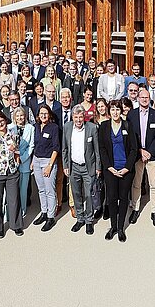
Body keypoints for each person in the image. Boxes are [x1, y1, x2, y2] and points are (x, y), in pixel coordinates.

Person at [98, 100, 138, 242]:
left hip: (126, 169)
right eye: (113, 109)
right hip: (111, 169)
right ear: (109, 111)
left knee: (123, 198)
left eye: (117, 110)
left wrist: (127, 167)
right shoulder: (104, 126)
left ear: (122, 111)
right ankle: (113, 226)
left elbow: (134, 149)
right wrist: (109, 167)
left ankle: (121, 228)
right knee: (112, 198)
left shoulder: (128, 125)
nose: (115, 112)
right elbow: (101, 148)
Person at [127, 89, 155, 227]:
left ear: (150, 99)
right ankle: (135, 209)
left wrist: (149, 151)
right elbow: (130, 136)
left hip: (152, 156)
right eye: (142, 97)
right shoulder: (131, 115)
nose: (144, 99)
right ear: (138, 98)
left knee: (154, 185)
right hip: (137, 155)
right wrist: (140, 151)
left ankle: (154, 212)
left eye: (146, 97)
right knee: (136, 184)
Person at [62, 104, 101, 235]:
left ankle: (89, 220)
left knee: (89, 194)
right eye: (76, 117)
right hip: (73, 167)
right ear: (72, 117)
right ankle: (80, 218)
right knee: (76, 193)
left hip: (88, 167)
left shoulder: (92, 128)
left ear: (84, 116)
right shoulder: (67, 127)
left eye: (80, 117)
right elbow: (64, 149)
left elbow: (97, 150)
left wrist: (98, 167)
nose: (78, 120)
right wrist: (66, 165)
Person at [32, 104, 60, 232]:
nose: (43, 115)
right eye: (41, 113)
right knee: (41, 189)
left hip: (48, 161)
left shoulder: (54, 128)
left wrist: (50, 165)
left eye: (45, 113)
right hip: (37, 160)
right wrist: (33, 160)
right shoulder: (36, 127)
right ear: (38, 115)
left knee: (49, 190)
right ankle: (43, 212)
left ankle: (50, 217)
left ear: (49, 114)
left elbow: (56, 148)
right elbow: (35, 145)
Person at [9, 107, 35, 218]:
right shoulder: (10, 128)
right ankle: (11, 212)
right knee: (13, 189)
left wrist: (22, 157)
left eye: (22, 115)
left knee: (23, 189)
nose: (20, 118)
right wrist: (15, 156)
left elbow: (31, 145)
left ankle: (22, 210)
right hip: (12, 162)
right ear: (14, 117)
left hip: (25, 161)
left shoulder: (30, 128)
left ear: (25, 116)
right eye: (17, 116)